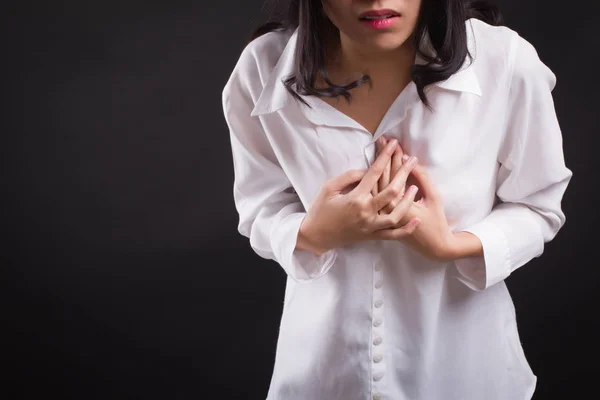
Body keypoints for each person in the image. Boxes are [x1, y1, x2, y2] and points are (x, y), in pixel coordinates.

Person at [222, 0, 572, 399]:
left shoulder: (505, 61)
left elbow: (539, 205)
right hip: (322, 375)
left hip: (468, 371)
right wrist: (313, 232)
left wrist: (452, 246)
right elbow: (259, 205)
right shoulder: (261, 67)